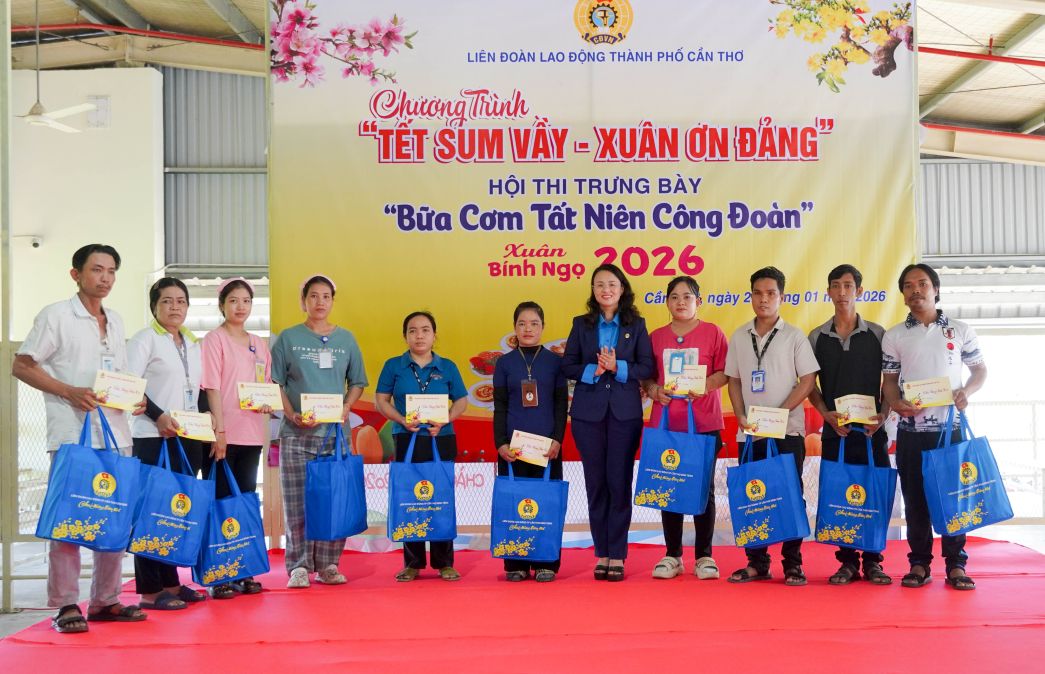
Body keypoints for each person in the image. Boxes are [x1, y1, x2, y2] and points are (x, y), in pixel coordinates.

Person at [13, 244, 147, 632]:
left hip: (117, 434)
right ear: (76, 274)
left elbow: (120, 373)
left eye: (111, 271)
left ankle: (106, 600)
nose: (105, 278)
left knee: (113, 520)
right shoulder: (56, 315)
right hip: (73, 434)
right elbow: (21, 365)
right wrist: (68, 391)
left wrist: (135, 399)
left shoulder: (116, 320)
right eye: (96, 270)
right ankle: (66, 604)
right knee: (69, 522)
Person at [882, 263, 987, 591]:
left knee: (954, 498)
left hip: (950, 431)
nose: (916, 290)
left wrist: (966, 392)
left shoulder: (959, 329)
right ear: (903, 294)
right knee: (915, 500)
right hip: (910, 432)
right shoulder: (894, 335)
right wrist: (896, 403)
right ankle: (919, 563)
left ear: (936, 289)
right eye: (908, 285)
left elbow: (980, 371)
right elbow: (889, 382)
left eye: (923, 283)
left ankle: (956, 565)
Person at [271, 275, 368, 589]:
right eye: (313, 296)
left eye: (326, 296)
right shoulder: (288, 338)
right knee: (296, 503)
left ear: (332, 301)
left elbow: (358, 382)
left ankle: (328, 564)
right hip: (296, 434)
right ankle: (298, 566)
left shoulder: (346, 339)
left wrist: (346, 407)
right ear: (304, 301)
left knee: (333, 501)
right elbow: (276, 383)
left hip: (334, 435)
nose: (320, 302)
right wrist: (291, 414)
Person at [725, 266, 819, 587]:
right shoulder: (739, 336)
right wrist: (740, 415)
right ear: (750, 296)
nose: (763, 299)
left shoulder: (794, 336)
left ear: (782, 297)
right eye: (757, 293)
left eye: (770, 293)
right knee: (753, 494)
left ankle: (793, 564)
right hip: (750, 432)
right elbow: (734, 381)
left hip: (786, 431)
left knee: (790, 495)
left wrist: (780, 413)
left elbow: (808, 380)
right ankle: (757, 563)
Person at [562, 263, 654, 582]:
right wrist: (594, 371)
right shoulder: (581, 324)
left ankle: (617, 554)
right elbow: (567, 365)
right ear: (593, 290)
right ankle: (602, 552)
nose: (606, 290)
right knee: (596, 484)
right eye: (599, 284)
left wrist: (618, 367)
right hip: (587, 415)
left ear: (622, 289)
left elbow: (647, 366)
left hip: (624, 415)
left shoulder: (636, 325)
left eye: (612, 284)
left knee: (619, 482)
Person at [126, 277, 209, 610]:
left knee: (175, 511)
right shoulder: (145, 339)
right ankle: (149, 591)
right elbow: (130, 384)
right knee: (151, 511)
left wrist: (207, 422)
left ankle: (171, 584)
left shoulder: (192, 343)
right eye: (167, 301)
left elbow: (197, 389)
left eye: (181, 301)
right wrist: (158, 416)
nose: (175, 307)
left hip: (188, 437)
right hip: (153, 436)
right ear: (154, 306)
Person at [807, 264, 892, 586]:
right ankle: (846, 563)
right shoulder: (816, 337)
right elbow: (808, 384)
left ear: (859, 291)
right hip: (836, 432)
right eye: (835, 286)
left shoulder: (878, 335)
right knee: (840, 496)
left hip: (872, 432)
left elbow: (891, 380)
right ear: (828, 291)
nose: (841, 292)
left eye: (847, 286)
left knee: (873, 494)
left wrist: (884, 414)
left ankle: (873, 562)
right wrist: (825, 413)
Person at [642, 276, 728, 581]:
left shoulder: (713, 333)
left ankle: (704, 556)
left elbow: (725, 372)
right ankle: (673, 555)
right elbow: (646, 377)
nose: (681, 302)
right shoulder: (655, 337)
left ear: (698, 302)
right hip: (667, 423)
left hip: (704, 422)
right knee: (669, 486)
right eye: (675, 297)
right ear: (666, 302)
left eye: (687, 297)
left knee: (704, 488)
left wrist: (705, 385)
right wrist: (654, 390)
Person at [375, 311, 469, 582]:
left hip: (442, 437)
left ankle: (444, 562)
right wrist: (401, 420)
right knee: (410, 498)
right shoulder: (394, 366)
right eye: (413, 330)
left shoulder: (447, 366)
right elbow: (381, 400)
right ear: (405, 336)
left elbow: (461, 401)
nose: (419, 336)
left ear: (434, 335)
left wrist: (446, 419)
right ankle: (412, 563)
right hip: (407, 437)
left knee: (440, 498)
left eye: (425, 330)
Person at [200, 277, 273, 598]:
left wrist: (267, 401)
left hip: (251, 434)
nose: (240, 307)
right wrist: (219, 431)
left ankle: (243, 570)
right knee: (220, 502)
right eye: (233, 301)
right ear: (221, 305)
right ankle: (219, 575)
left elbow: (265, 385)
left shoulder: (259, 343)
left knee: (243, 502)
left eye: (246, 301)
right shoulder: (214, 340)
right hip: (223, 434)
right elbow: (212, 387)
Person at [493, 301, 569, 582]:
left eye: (534, 324)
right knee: (515, 504)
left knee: (546, 504)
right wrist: (500, 443)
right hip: (513, 447)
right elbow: (500, 406)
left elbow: (561, 405)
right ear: (514, 328)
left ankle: (546, 562)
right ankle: (516, 563)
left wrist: (557, 439)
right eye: (522, 324)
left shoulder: (555, 363)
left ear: (543, 327)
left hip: (547, 448)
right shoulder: (504, 363)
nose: (528, 329)